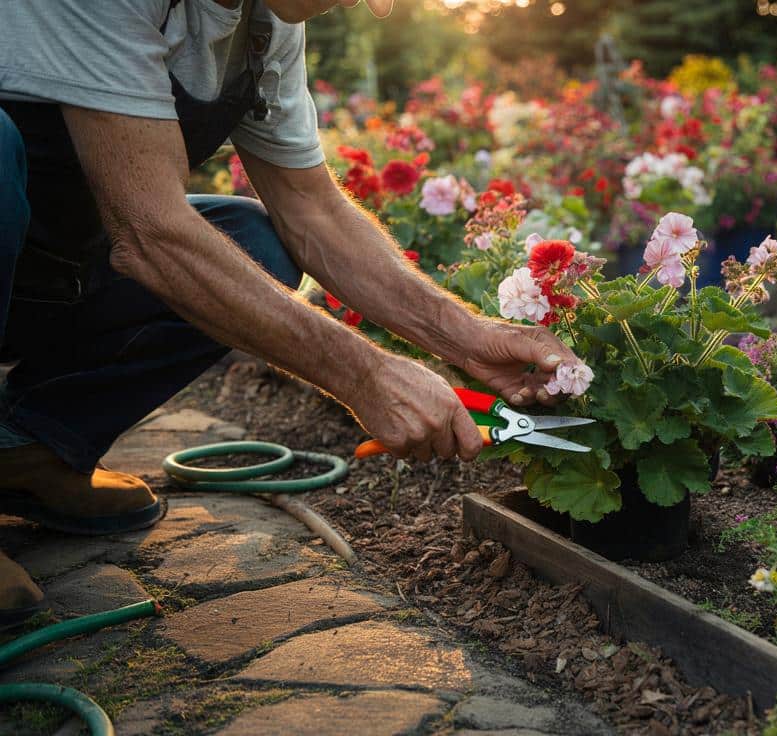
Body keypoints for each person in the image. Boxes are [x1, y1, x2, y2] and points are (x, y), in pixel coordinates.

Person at [0, 0, 580, 627]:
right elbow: (151, 234)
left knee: (253, 240)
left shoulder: (268, 22)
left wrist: (469, 338)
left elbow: (313, 211)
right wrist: (367, 375)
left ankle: (29, 452)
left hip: (45, 269)